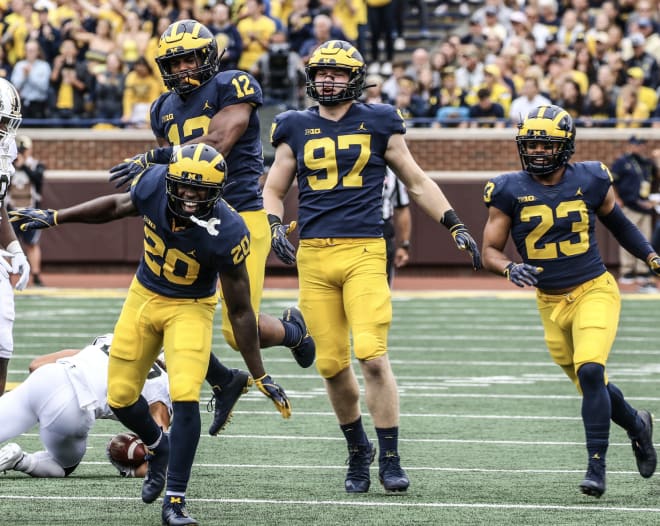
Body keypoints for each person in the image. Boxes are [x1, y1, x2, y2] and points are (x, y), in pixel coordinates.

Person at [10, 143, 291, 525]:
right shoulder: (156, 182)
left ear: (217, 192)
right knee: (122, 397)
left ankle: (175, 499)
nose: (189, 197)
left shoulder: (229, 232)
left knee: (186, 396)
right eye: (184, 187)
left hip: (191, 306)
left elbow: (241, 311)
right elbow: (116, 207)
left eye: (200, 191)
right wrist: (56, 217)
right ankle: (159, 448)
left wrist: (259, 372)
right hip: (144, 295)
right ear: (171, 180)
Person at [262, 40, 481, 494]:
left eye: (338, 72)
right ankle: (358, 449)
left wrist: (453, 223)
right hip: (315, 257)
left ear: (356, 78)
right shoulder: (294, 125)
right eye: (322, 71)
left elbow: (417, 181)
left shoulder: (380, 120)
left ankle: (392, 457)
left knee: (373, 356)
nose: (328, 79)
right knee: (330, 365)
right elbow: (273, 188)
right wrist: (273, 224)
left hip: (364, 251)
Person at [107, 19, 315, 438]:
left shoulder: (232, 85)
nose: (183, 68)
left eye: (190, 58)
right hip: (187, 218)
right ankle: (224, 380)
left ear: (209, 56)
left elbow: (216, 142)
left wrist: (155, 156)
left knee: (240, 332)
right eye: (175, 61)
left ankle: (293, 331)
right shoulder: (161, 107)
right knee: (169, 305)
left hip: (238, 216)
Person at [481, 104, 658, 498]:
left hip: (594, 289)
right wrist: (509, 268)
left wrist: (650, 256)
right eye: (532, 145)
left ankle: (596, 469)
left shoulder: (592, 178)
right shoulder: (508, 188)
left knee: (592, 371)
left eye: (547, 145)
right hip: (550, 302)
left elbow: (621, 223)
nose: (539, 152)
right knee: (592, 386)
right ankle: (637, 426)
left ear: (566, 146)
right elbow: (489, 249)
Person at [0, 333, 171, 479]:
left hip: (47, 377)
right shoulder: (161, 387)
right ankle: (20, 460)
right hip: (76, 405)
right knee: (63, 465)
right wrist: (132, 469)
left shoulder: (113, 340)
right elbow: (161, 454)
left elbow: (35, 365)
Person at [0, 78, 31, 396]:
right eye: (1, 121)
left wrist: (14, 249)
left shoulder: (6, 147)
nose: (5, 130)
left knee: (2, 339)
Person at [611, 135, 658, 291]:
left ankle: (642, 270)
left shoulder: (645, 163)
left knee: (645, 239)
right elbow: (611, 181)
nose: (640, 147)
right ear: (630, 145)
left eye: (642, 145)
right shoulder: (622, 162)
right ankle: (627, 270)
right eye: (637, 145)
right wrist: (616, 198)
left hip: (644, 205)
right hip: (629, 205)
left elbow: (654, 178)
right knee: (627, 238)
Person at [7, 135, 45, 286]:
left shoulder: (36, 165)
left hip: (30, 210)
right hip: (12, 209)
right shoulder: (7, 166)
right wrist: (14, 165)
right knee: (8, 244)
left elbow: (38, 179)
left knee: (32, 243)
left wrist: (24, 166)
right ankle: (8, 275)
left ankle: (36, 275)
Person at [382, 167, 411, 287]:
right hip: (343, 233)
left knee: (382, 289)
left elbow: (402, 208)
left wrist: (404, 245)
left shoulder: (392, 171)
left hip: (381, 232)